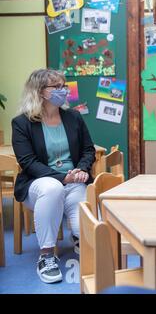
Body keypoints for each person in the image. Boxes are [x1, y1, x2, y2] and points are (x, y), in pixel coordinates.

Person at [12, 69, 96, 284]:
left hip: (74, 182)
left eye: (63, 86)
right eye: (56, 87)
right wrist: (62, 178)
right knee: (53, 188)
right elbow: (28, 163)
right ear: (40, 92)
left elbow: (88, 150)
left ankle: (78, 238)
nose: (63, 90)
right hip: (39, 185)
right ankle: (47, 255)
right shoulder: (22, 123)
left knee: (86, 234)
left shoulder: (73, 117)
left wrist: (82, 170)